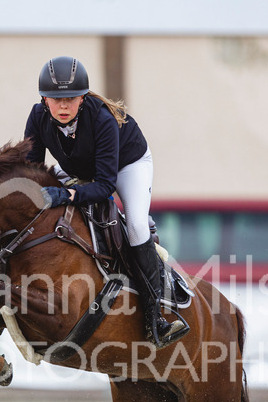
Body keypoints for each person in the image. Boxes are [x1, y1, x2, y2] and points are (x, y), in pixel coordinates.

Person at [23, 56, 188, 348]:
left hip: (126, 165)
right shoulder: (37, 116)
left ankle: (156, 318)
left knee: (136, 226)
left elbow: (104, 185)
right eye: (56, 99)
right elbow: (32, 171)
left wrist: (69, 195)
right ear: (44, 99)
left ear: (83, 97)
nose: (64, 106)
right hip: (79, 166)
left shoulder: (102, 119)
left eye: (71, 99)